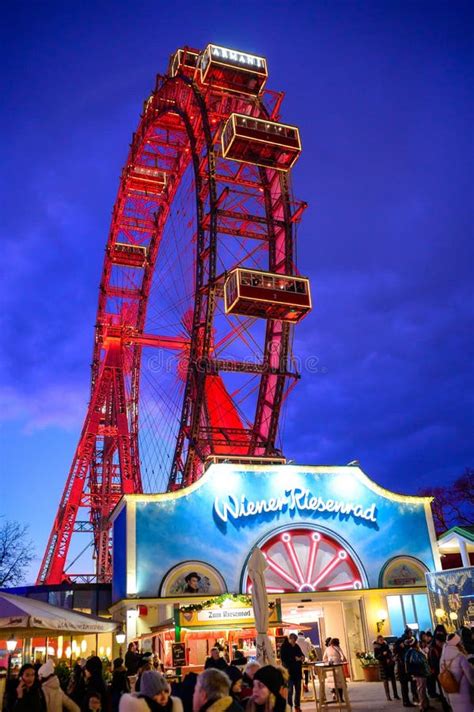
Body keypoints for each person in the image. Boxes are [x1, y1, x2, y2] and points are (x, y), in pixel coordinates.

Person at [439, 632, 474, 712]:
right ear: (457, 643)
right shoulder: (460, 657)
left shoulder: (442, 659)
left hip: (451, 692)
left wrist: (446, 695)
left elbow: (442, 676)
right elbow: (471, 676)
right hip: (465, 693)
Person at [120, 670, 184, 712]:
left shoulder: (172, 706)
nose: (164, 697)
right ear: (147, 696)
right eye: (158, 693)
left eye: (166, 691)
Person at [404, 638, 430, 711]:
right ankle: (422, 706)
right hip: (420, 673)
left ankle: (425, 704)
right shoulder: (414, 652)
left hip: (416, 673)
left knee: (420, 689)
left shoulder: (410, 652)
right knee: (421, 689)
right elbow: (420, 662)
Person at [279, 634, 304, 712]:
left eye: (295, 641)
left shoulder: (296, 646)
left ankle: (297, 706)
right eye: (293, 640)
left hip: (297, 672)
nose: (294, 642)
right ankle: (289, 707)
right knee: (290, 691)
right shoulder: (284, 647)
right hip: (289, 672)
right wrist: (294, 659)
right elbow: (283, 659)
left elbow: (301, 654)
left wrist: (302, 657)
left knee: (298, 690)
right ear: (290, 639)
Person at [373, 634, 399, 701]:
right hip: (383, 665)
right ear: (378, 640)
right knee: (385, 680)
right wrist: (382, 654)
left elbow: (389, 652)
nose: (382, 641)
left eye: (382, 639)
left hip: (389, 664)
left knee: (393, 679)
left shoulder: (385, 645)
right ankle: (388, 696)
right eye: (380, 640)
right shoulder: (376, 647)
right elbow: (376, 656)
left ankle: (395, 695)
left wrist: (390, 656)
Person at [322, 638, 346, 703]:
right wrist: (340, 660)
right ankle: (341, 698)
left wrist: (329, 662)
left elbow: (324, 658)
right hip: (338, 667)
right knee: (339, 684)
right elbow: (343, 657)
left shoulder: (327, 649)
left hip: (330, 668)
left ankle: (334, 695)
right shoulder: (338, 648)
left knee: (333, 683)